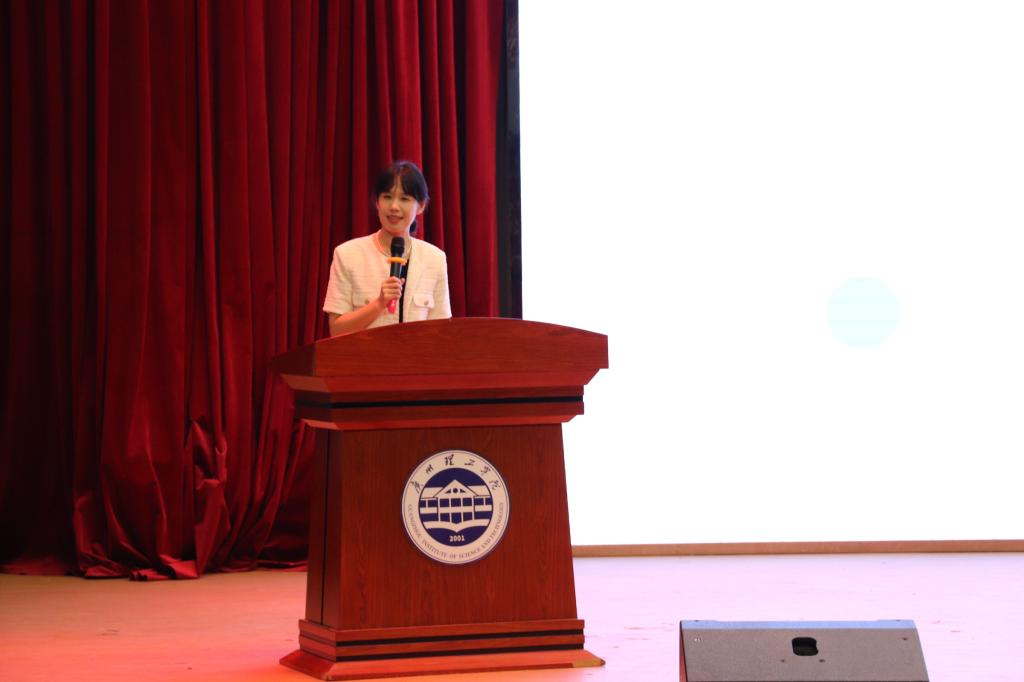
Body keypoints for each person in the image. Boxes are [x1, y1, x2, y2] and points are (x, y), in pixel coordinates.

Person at [323, 161, 452, 336]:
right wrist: (379, 304)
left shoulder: (435, 259)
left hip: (416, 354)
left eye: (404, 199)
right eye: (387, 197)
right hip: (365, 354)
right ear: (377, 202)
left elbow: (442, 333)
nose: (394, 207)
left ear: (421, 206)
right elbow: (337, 330)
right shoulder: (347, 254)